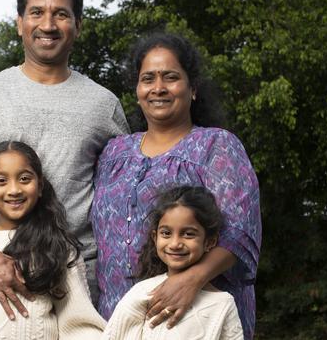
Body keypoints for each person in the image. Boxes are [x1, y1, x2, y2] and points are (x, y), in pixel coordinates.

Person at [0, 0, 129, 321]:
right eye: (37, 12)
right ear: (19, 23)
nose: (48, 24)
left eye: (61, 13)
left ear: (78, 25)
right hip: (5, 277)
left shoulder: (104, 104)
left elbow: (123, 197)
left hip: (82, 283)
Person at [90, 32, 261, 339]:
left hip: (194, 318)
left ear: (192, 88)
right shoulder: (114, 152)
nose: (158, 88)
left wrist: (190, 280)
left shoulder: (216, 146)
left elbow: (240, 234)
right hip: (121, 319)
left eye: (170, 77)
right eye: (148, 78)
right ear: (138, 89)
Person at [0, 141, 106, 339]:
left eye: (24, 179)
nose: (14, 189)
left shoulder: (57, 246)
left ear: (40, 186)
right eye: (1, 181)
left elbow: (79, 325)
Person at [102, 186, 244, 340]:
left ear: (210, 242)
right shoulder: (142, 293)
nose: (175, 243)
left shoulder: (223, 305)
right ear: (155, 237)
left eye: (188, 234)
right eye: (166, 233)